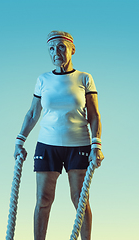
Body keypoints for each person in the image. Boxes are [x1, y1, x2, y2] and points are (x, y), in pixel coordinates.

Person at [14, 30, 104, 240]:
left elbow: (94, 114)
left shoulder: (84, 78)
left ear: (72, 49)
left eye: (62, 46)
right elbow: (33, 113)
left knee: (79, 200)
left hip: (79, 145)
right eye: (52, 48)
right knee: (43, 200)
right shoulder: (43, 79)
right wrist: (20, 140)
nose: (57, 52)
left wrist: (96, 145)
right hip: (47, 146)